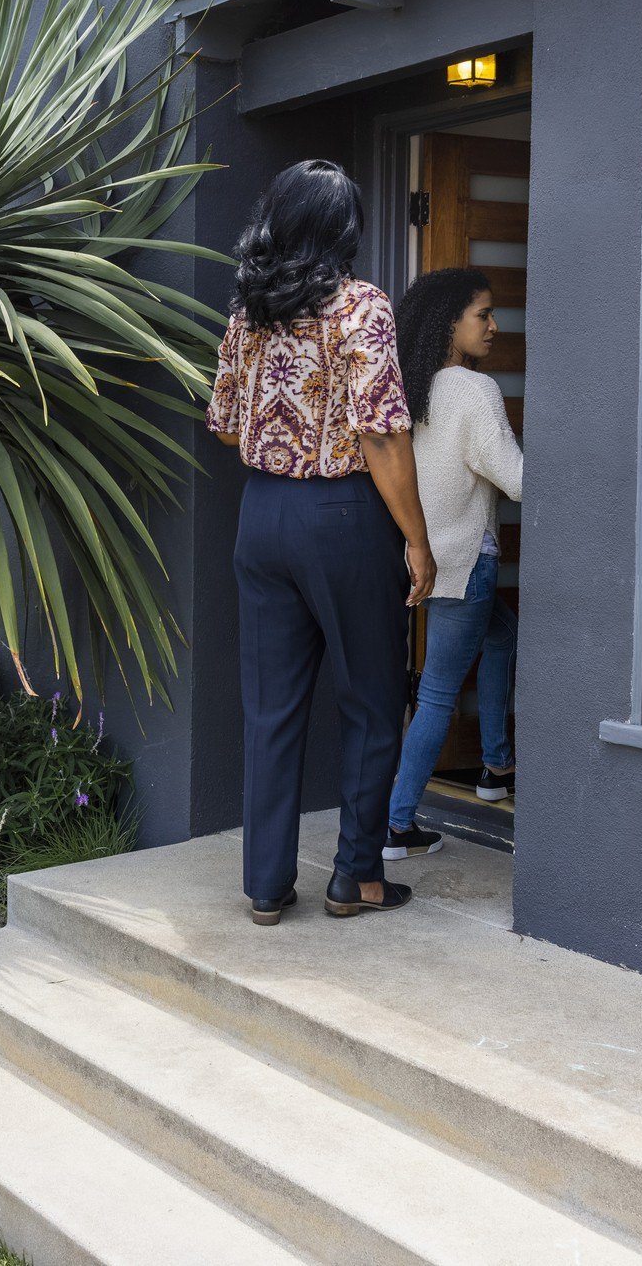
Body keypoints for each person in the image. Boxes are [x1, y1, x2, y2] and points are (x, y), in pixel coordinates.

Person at [206, 160, 437, 924]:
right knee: (371, 700)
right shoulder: (362, 307)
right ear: (344, 228)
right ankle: (357, 877)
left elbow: (227, 423)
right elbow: (382, 434)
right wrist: (418, 541)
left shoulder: (249, 310)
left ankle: (267, 886)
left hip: (262, 513)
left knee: (270, 709)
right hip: (341, 514)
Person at [382, 267, 522, 860]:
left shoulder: (410, 388)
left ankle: (493, 767)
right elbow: (515, 478)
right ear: (450, 323)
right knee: (438, 694)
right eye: (482, 315)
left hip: (423, 561)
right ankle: (396, 824)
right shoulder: (474, 390)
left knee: (502, 634)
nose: (494, 326)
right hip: (467, 563)